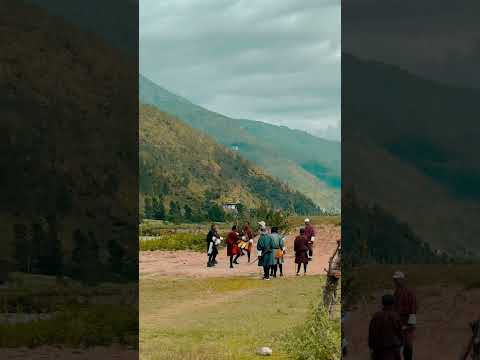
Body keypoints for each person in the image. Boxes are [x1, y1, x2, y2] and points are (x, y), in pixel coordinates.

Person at [368, 294, 403, 360]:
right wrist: (400, 343)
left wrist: (372, 347)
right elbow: (400, 333)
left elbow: (372, 333)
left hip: (379, 349)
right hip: (393, 349)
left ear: (382, 303)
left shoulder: (376, 316)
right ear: (393, 304)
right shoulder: (395, 316)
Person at [392, 271, 417, 360]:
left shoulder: (409, 292)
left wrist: (410, 324)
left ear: (402, 280)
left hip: (406, 323)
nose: (395, 281)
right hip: (398, 322)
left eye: (396, 279)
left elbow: (413, 308)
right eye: (394, 280)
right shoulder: (396, 292)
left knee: (407, 345)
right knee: (398, 345)